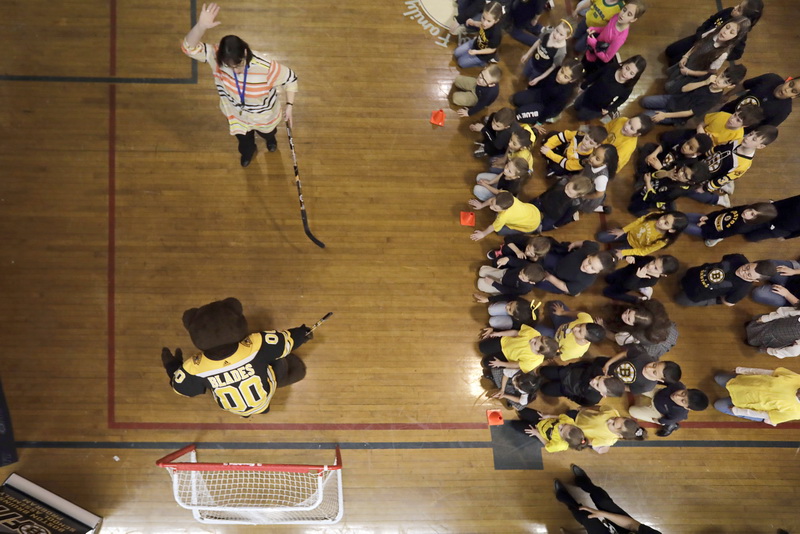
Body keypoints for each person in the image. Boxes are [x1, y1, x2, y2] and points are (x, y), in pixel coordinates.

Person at [181, 3, 298, 168]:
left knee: (269, 133)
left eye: (239, 65)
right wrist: (200, 27)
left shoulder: (266, 67)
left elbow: (291, 79)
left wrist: (289, 106)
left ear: (244, 53)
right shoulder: (216, 59)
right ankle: (248, 152)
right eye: (231, 67)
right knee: (244, 143)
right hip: (237, 116)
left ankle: (271, 140)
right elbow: (188, 47)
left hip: (265, 116)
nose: (236, 71)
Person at [160, 298, 311, 417]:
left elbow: (181, 388)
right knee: (276, 357)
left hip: (234, 408)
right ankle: (272, 396)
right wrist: (303, 333)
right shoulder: (257, 345)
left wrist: (172, 366)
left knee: (240, 405)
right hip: (264, 396)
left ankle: (247, 414)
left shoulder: (194, 367)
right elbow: (286, 340)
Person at [687, 126, 779, 208]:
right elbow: (718, 149)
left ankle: (719, 199)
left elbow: (722, 179)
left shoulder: (742, 165)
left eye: (753, 139)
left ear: (760, 146)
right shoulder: (738, 140)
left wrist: (704, 188)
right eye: (750, 134)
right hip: (704, 164)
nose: (747, 138)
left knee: (690, 191)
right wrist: (701, 154)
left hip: (709, 177)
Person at [554, 465, 662, 532]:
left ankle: (567, 500)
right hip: (626, 530)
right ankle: (585, 483)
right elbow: (631, 524)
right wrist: (603, 514)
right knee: (603, 501)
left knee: (586, 517)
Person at [664, 16, 751, 95]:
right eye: (727, 27)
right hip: (689, 61)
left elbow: (709, 72)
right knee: (672, 76)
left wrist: (688, 72)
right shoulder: (714, 31)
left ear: (735, 37)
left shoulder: (722, 54)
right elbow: (698, 45)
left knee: (671, 88)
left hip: (694, 72)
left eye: (731, 32)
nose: (725, 32)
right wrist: (686, 56)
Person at [640, 64, 747, 126]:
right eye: (722, 76)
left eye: (725, 82)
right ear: (722, 71)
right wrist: (705, 82)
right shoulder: (709, 77)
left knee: (645, 116)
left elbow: (689, 113)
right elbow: (684, 88)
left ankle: (668, 119)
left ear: (730, 86)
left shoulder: (714, 99)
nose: (720, 81)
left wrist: (665, 115)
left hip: (677, 114)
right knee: (644, 101)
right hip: (673, 99)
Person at [664, 0, 763, 65]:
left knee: (673, 63)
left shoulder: (741, 35)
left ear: (744, 18)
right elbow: (711, 20)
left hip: (704, 52)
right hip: (699, 39)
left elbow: (737, 54)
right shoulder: (728, 11)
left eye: (739, 9)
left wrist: (717, 53)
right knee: (669, 51)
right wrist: (700, 33)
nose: (735, 7)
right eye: (739, 4)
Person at [676, 255, 776, 307]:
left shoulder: (742, 290)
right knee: (682, 280)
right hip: (695, 274)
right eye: (747, 267)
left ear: (755, 280)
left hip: (697, 293)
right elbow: (725, 258)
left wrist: (717, 299)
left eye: (748, 275)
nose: (743, 271)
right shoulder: (738, 258)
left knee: (679, 299)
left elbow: (729, 303)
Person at [713, 367, 800, 425]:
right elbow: (767, 373)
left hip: (747, 405)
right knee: (718, 377)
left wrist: (737, 411)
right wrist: (742, 370)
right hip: (743, 383)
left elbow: (766, 415)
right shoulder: (797, 378)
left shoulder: (796, 413)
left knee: (718, 405)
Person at [582, 0, 646, 79]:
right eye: (624, 10)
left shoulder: (620, 38)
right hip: (593, 47)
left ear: (633, 19)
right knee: (584, 61)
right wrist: (595, 29)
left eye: (629, 14)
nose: (623, 14)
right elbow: (606, 29)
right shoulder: (616, 17)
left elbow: (606, 58)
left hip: (597, 57)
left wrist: (594, 44)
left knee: (588, 71)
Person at [573, 56, 646, 122]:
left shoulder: (628, 87)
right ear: (624, 64)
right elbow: (595, 75)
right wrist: (583, 86)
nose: (626, 74)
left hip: (598, 106)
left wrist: (610, 108)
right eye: (627, 68)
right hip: (588, 94)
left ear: (635, 76)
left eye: (631, 73)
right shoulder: (612, 67)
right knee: (576, 105)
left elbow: (622, 99)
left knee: (581, 116)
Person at [513, 60, 584, 126]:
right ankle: (531, 107)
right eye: (561, 71)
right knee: (516, 99)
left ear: (572, 80)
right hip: (541, 94)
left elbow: (550, 108)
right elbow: (544, 82)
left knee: (519, 115)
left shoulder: (565, 93)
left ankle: (551, 118)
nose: (560, 76)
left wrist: (539, 122)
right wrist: (530, 89)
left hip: (546, 107)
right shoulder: (556, 70)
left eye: (565, 77)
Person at [628, 160, 709, 216]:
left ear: (690, 182)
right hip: (648, 189)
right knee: (634, 197)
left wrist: (648, 183)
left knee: (632, 208)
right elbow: (655, 175)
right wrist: (666, 173)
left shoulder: (676, 191)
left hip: (652, 198)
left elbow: (654, 198)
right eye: (683, 169)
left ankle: (650, 218)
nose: (680, 173)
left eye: (685, 176)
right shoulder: (674, 170)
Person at [537, 240, 617, 295]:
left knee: (536, 280)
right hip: (561, 261)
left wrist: (550, 278)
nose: (587, 266)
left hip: (559, 280)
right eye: (589, 262)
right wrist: (574, 244)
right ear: (589, 255)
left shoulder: (586, 281)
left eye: (592, 268)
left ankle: (574, 292)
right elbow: (586, 243)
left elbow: (565, 287)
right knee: (541, 255)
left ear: (597, 272)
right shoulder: (591, 248)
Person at [722, 73, 798, 130]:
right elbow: (745, 85)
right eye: (790, 84)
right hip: (727, 110)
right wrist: (727, 95)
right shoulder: (770, 78)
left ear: (794, 96)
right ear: (789, 80)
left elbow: (766, 128)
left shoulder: (784, 111)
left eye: (793, 91)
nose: (787, 90)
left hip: (738, 130)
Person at [597, 211, 688, 258]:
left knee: (607, 256)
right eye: (664, 217)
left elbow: (643, 251)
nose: (661, 221)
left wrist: (624, 253)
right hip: (628, 233)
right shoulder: (655, 215)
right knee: (600, 237)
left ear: (671, 230)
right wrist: (623, 230)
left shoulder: (663, 241)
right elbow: (639, 221)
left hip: (633, 247)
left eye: (666, 223)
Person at [535, 301, 605, 362]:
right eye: (580, 325)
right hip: (563, 323)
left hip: (553, 339)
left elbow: (559, 353)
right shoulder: (587, 319)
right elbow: (579, 314)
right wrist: (562, 312)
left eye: (579, 331)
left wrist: (551, 352)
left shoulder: (575, 351)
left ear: (585, 341)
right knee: (556, 304)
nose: (575, 328)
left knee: (535, 334)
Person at [629, 384, 709, 437]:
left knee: (632, 411)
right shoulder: (678, 385)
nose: (677, 396)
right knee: (636, 384)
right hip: (656, 394)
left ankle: (671, 425)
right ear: (686, 389)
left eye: (682, 401)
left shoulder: (678, 414)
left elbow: (666, 420)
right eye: (683, 393)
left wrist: (659, 420)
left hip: (658, 411)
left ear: (687, 408)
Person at [684, 202, 777, 247]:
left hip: (709, 230)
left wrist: (704, 226)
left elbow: (716, 234)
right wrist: (709, 216)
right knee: (684, 216)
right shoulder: (744, 208)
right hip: (711, 220)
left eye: (752, 214)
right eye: (750, 209)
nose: (747, 212)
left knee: (683, 225)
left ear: (756, 220)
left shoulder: (740, 228)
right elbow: (725, 211)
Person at [538, 358, 626, 406]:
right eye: (599, 378)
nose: (594, 380)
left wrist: (568, 394)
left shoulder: (593, 399)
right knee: (543, 370)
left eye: (597, 385)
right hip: (566, 373)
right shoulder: (597, 369)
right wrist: (568, 367)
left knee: (544, 389)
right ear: (607, 375)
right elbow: (584, 364)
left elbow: (580, 401)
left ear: (603, 394)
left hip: (565, 389)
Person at [478, 324, 560, 374]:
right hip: (503, 342)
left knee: (485, 363)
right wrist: (498, 333)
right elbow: (515, 333)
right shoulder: (534, 333)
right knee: (481, 347)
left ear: (539, 353)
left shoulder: (535, 361)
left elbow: (517, 365)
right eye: (537, 337)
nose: (532, 339)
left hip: (505, 357)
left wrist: (500, 364)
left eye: (535, 343)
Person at [597, 348, 682, 394]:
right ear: (659, 361)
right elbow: (624, 354)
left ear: (660, 380)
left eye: (654, 372)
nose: (649, 368)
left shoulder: (647, 386)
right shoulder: (643, 356)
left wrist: (611, 387)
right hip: (608, 365)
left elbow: (628, 388)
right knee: (595, 362)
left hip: (608, 382)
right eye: (654, 365)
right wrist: (608, 364)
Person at [603, 255, 679, 303]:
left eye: (656, 268)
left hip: (624, 285)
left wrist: (637, 276)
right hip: (622, 273)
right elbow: (637, 258)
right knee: (608, 278)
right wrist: (630, 257)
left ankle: (636, 300)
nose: (650, 266)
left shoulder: (651, 281)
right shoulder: (649, 259)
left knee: (607, 292)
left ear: (663, 274)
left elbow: (628, 285)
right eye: (654, 262)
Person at [530, 174, 595, 231]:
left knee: (543, 227)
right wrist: (540, 197)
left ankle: (572, 218)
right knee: (529, 208)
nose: (565, 191)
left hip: (553, 215)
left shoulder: (576, 203)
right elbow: (550, 190)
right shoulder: (562, 181)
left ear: (578, 196)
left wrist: (556, 225)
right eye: (567, 187)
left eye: (570, 193)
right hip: (544, 202)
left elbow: (566, 216)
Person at [520, 19, 573, 86]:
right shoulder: (548, 32)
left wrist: (538, 78)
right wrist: (527, 54)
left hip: (539, 71)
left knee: (531, 81)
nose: (556, 36)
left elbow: (553, 67)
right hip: (532, 60)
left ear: (567, 37)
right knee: (525, 73)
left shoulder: (561, 52)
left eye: (561, 34)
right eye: (556, 30)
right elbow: (538, 42)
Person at [599, 300, 672, 349]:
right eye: (629, 311)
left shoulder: (631, 336)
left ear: (634, 327)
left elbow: (614, 338)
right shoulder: (648, 310)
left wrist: (602, 327)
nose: (624, 315)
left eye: (628, 319)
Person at [469, 192, 542, 240]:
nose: (491, 207)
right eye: (492, 204)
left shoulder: (503, 217)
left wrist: (483, 234)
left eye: (495, 208)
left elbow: (493, 227)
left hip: (531, 226)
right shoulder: (507, 196)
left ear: (505, 209)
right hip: (534, 211)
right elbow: (492, 200)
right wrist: (481, 205)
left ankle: (535, 229)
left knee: (499, 231)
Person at [574, 405, 647, 453]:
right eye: (615, 418)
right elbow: (599, 408)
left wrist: (579, 440)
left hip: (575, 431)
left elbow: (590, 442)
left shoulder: (608, 440)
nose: (609, 420)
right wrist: (586, 408)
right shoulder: (612, 412)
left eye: (613, 424)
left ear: (619, 435)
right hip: (578, 416)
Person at [540, 125, 608, 177]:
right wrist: (548, 145)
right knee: (553, 133)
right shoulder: (579, 134)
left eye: (591, 143)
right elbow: (564, 136)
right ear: (585, 134)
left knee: (556, 168)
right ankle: (549, 151)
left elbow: (566, 164)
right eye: (586, 138)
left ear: (597, 146)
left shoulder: (585, 160)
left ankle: (552, 166)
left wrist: (549, 153)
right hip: (566, 150)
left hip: (567, 164)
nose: (586, 143)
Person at [453, 2, 504, 69]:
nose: (484, 23)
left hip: (482, 55)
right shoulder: (484, 23)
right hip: (477, 43)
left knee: (461, 62)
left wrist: (476, 52)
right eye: (483, 18)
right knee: (456, 53)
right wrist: (473, 23)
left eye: (489, 21)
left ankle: (483, 63)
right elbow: (481, 24)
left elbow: (492, 49)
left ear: (496, 21)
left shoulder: (496, 34)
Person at [511, 411, 590, 453]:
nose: (560, 425)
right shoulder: (569, 421)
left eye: (561, 430)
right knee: (522, 410)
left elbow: (547, 445)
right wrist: (548, 416)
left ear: (564, 439)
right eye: (564, 424)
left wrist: (537, 433)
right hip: (542, 420)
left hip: (539, 432)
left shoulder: (559, 445)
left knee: (514, 424)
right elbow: (560, 416)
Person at [476, 262, 546, 295]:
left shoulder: (525, 289)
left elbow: (508, 291)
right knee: (482, 271)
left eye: (523, 278)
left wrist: (493, 283)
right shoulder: (526, 266)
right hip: (504, 273)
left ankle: (494, 292)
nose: (519, 276)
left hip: (503, 286)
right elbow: (514, 262)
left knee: (480, 284)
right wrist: (507, 259)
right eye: (521, 272)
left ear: (531, 282)